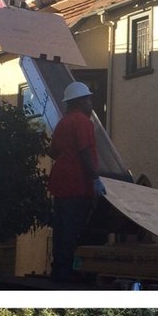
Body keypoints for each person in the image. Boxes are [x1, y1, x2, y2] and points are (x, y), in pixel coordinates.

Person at [48, 80, 106, 280]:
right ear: (80, 101)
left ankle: (59, 270)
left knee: (62, 229)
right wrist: (96, 178)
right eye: (89, 99)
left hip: (60, 183)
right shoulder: (83, 122)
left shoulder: (62, 122)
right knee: (75, 229)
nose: (91, 103)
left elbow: (53, 151)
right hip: (77, 184)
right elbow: (85, 152)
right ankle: (69, 272)